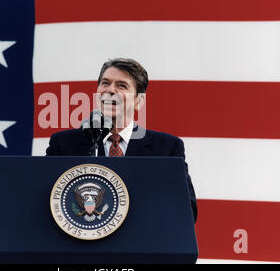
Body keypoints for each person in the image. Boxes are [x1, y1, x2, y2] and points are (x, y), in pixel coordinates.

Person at [46, 58, 197, 222]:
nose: (110, 90)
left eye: (121, 85)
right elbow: (47, 203)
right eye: (105, 83)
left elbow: (186, 211)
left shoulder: (166, 149)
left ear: (139, 102)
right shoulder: (63, 144)